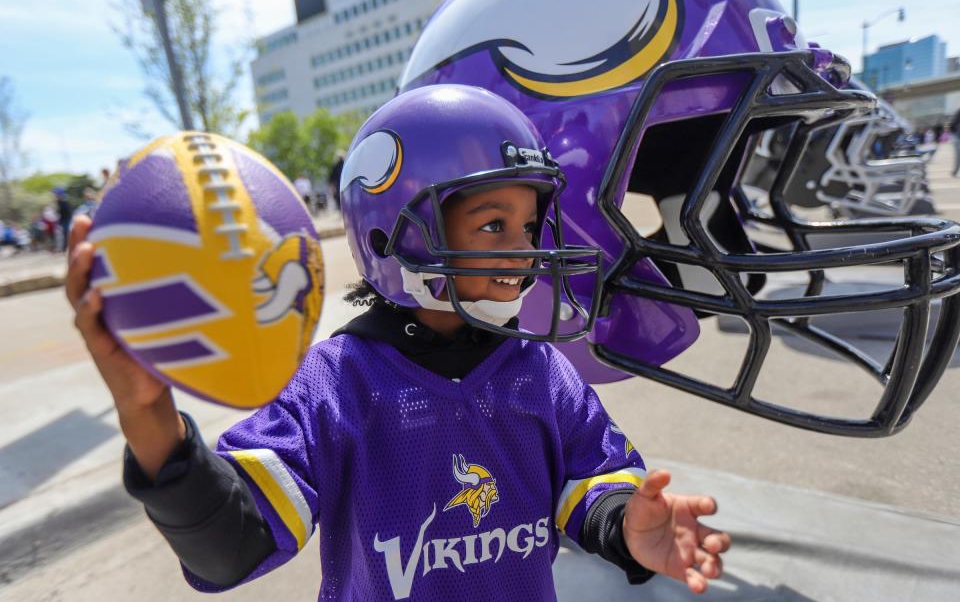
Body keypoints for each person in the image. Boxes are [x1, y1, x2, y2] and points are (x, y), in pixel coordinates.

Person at [66, 85, 730, 600]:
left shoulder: (540, 370)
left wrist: (626, 525)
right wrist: (148, 414)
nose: (524, 251)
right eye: (493, 224)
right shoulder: (335, 388)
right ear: (394, 233)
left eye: (530, 225)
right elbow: (230, 544)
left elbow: (593, 481)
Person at [950, 108, 960, 177]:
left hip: (956, 135)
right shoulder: (958, 112)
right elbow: (952, 124)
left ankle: (955, 171)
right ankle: (955, 171)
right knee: (958, 155)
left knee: (958, 155)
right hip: (957, 136)